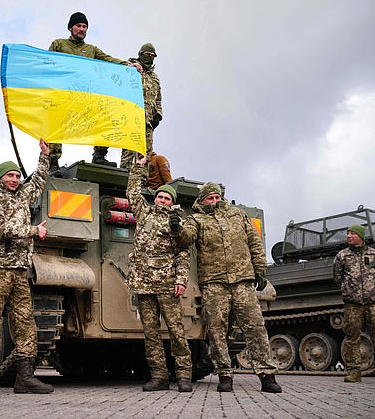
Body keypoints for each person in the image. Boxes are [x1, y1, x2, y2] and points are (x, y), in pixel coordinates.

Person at [169, 182, 282, 393]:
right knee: (217, 331)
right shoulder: (197, 219)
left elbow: (254, 242)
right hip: (214, 282)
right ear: (202, 200)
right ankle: (224, 375)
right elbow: (186, 239)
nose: (214, 201)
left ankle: (267, 376)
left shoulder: (238, 215)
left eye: (216, 197)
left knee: (255, 327)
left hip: (242, 280)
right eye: (209, 198)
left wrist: (259, 269)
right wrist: (177, 228)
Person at [0, 138, 53, 396]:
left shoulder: (21, 195)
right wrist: (33, 230)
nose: (15, 179)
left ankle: (25, 377)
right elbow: (0, 229)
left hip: (19, 269)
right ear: (1, 177)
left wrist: (45, 156)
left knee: (25, 322)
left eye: (17, 175)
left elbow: (38, 181)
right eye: (10, 175)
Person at [126, 155, 192, 392]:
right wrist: (139, 167)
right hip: (143, 284)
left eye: (167, 198)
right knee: (151, 334)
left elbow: (183, 254)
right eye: (160, 197)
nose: (163, 200)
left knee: (176, 331)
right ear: (156, 198)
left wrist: (181, 281)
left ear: (171, 201)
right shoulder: (144, 213)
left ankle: (184, 375)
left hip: (166, 284)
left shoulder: (177, 222)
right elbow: (132, 192)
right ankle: (159, 376)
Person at [48, 12, 141, 174]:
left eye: (85, 27)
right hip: (64, 95)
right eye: (78, 26)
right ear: (70, 28)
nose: (82, 29)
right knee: (55, 123)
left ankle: (99, 154)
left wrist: (128, 64)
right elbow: (48, 63)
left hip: (85, 97)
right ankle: (53, 161)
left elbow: (108, 59)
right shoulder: (59, 44)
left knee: (107, 114)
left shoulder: (91, 50)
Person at [333, 225, 375, 384]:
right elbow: (337, 277)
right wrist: (348, 289)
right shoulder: (342, 256)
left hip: (373, 303)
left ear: (361, 236)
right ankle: (354, 372)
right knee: (352, 338)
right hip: (352, 304)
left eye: (352, 233)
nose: (349, 236)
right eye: (347, 233)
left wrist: (373, 290)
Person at [120, 43, 163, 169]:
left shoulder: (154, 77)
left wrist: (158, 115)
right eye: (147, 54)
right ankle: (125, 179)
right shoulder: (130, 68)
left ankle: (141, 182)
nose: (149, 57)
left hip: (147, 121)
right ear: (140, 54)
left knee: (145, 155)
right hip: (131, 118)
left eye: (152, 55)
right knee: (128, 152)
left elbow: (158, 99)